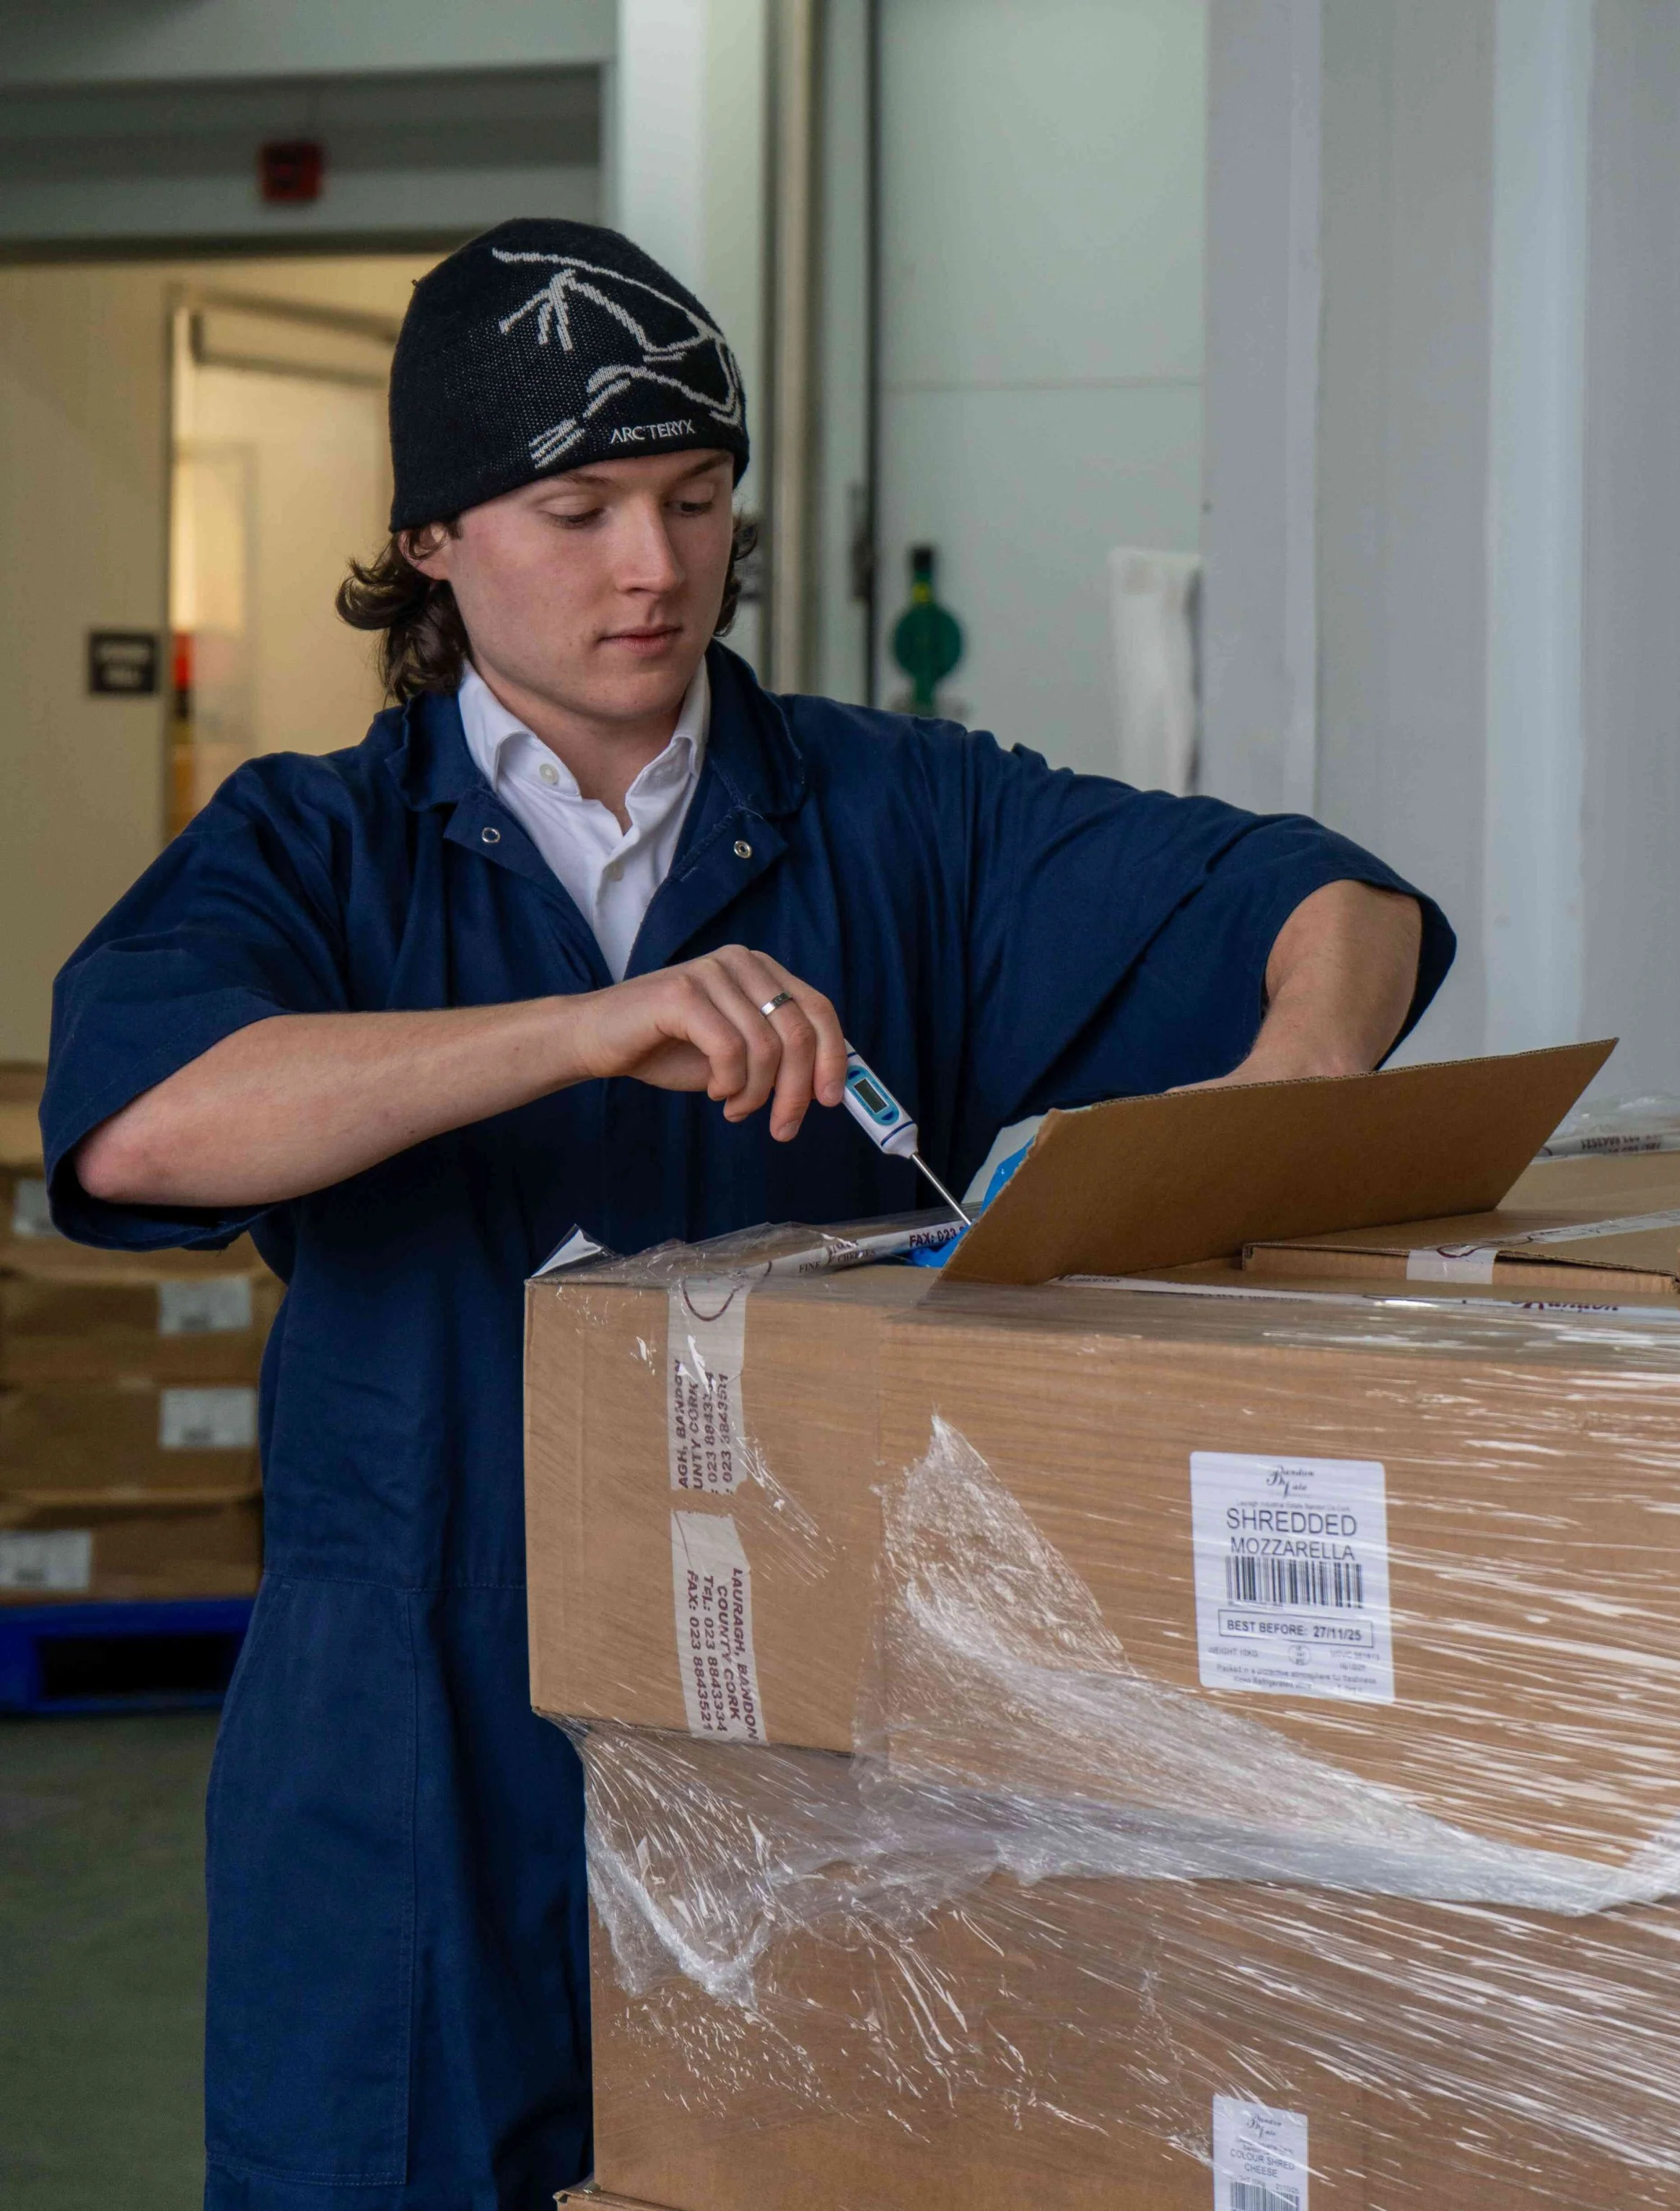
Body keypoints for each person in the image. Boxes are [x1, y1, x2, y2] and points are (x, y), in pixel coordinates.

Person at [43, 219, 1453, 2210]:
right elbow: (143, 1127)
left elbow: (1328, 895)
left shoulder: (904, 817)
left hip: (812, 1719)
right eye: (580, 507)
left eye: (697, 500)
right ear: (434, 537)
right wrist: (579, 1028)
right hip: (412, 1733)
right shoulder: (314, 845)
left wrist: (1299, 1076)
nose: (653, 565)